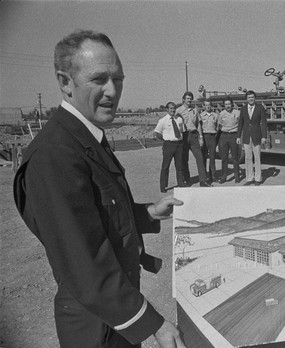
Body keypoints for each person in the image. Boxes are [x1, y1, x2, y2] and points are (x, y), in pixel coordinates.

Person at [13, 30, 186, 348]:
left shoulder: (85, 137)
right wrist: (154, 324)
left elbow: (99, 215)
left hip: (112, 313)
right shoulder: (55, 154)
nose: (112, 91)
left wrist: (149, 212)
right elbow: (84, 259)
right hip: (95, 327)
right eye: (99, 79)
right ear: (66, 82)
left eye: (118, 79)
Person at [176, 91, 211, 187]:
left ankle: (203, 181)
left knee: (200, 157)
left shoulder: (195, 110)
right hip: (183, 136)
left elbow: (199, 124)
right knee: (184, 159)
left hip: (194, 135)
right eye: (187, 98)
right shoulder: (178, 111)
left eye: (190, 98)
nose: (189, 100)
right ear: (183, 99)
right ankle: (186, 179)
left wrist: (200, 137)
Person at [237, 90, 267, 185]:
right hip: (246, 136)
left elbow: (264, 123)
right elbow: (240, 123)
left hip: (257, 136)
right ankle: (249, 178)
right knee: (248, 158)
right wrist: (238, 136)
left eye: (252, 97)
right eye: (249, 97)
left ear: (255, 98)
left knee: (257, 157)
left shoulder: (260, 108)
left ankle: (258, 178)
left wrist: (264, 136)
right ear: (246, 99)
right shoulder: (243, 108)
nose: (251, 99)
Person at [155, 101, 186, 192]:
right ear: (167, 109)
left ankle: (180, 183)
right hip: (168, 145)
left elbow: (182, 130)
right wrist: (165, 139)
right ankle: (163, 186)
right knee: (165, 166)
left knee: (179, 165)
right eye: (171, 108)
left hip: (179, 144)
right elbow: (157, 133)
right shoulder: (162, 120)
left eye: (174, 108)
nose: (173, 110)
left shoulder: (179, 119)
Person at [217, 97, 240, 184]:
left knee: (235, 157)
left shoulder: (237, 113)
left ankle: (237, 176)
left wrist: (238, 137)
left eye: (229, 104)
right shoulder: (221, 114)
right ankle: (224, 176)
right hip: (224, 136)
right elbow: (219, 127)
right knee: (224, 158)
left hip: (234, 135)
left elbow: (240, 124)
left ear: (232, 104)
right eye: (226, 104)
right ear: (224, 105)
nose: (228, 106)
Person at [200, 99, 218, 184]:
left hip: (212, 136)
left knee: (212, 157)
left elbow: (218, 126)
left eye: (209, 105)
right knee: (203, 157)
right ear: (203, 106)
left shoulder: (215, 115)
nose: (208, 107)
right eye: (206, 105)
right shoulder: (201, 115)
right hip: (204, 136)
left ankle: (213, 176)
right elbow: (199, 126)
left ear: (211, 106)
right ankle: (204, 176)